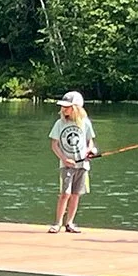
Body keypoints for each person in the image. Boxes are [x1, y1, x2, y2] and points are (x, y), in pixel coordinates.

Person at [48, 90, 97, 234]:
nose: (63, 109)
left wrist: (90, 150)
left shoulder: (85, 123)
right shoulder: (59, 123)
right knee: (65, 193)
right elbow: (54, 145)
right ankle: (57, 223)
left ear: (75, 108)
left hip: (82, 165)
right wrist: (64, 159)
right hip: (66, 165)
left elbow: (90, 142)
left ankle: (69, 223)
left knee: (76, 194)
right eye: (63, 107)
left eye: (66, 107)